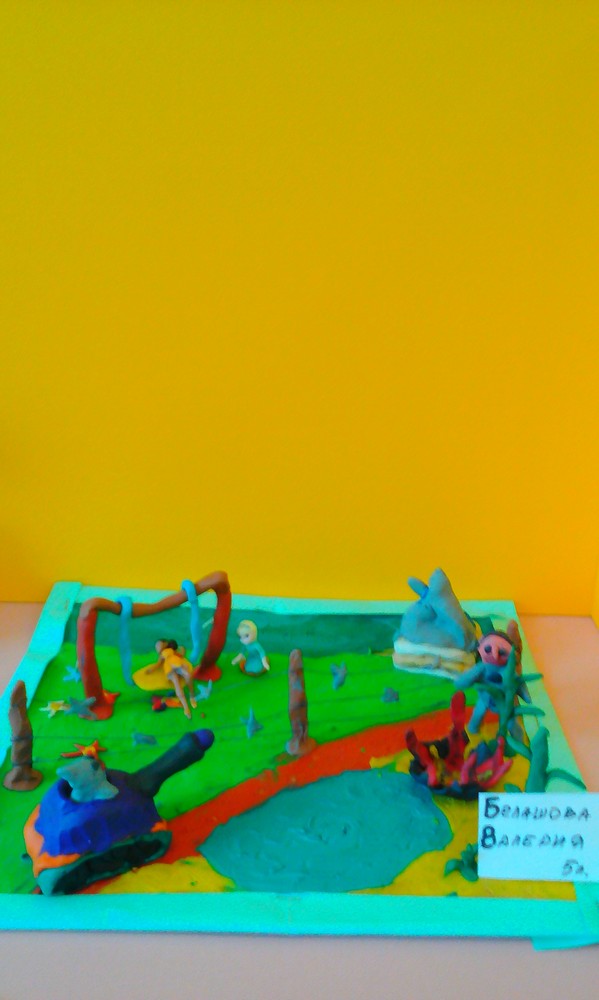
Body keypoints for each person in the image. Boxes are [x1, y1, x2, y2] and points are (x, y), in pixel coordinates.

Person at [145, 639, 197, 718]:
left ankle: (192, 695)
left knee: (188, 675)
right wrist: (151, 669)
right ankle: (186, 707)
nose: (157, 647)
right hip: (169, 667)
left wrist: (181, 651)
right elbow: (158, 664)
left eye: (159, 645)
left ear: (165, 644)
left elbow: (181, 653)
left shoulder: (171, 650)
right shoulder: (162, 655)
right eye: (157, 646)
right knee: (177, 684)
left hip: (177, 663)